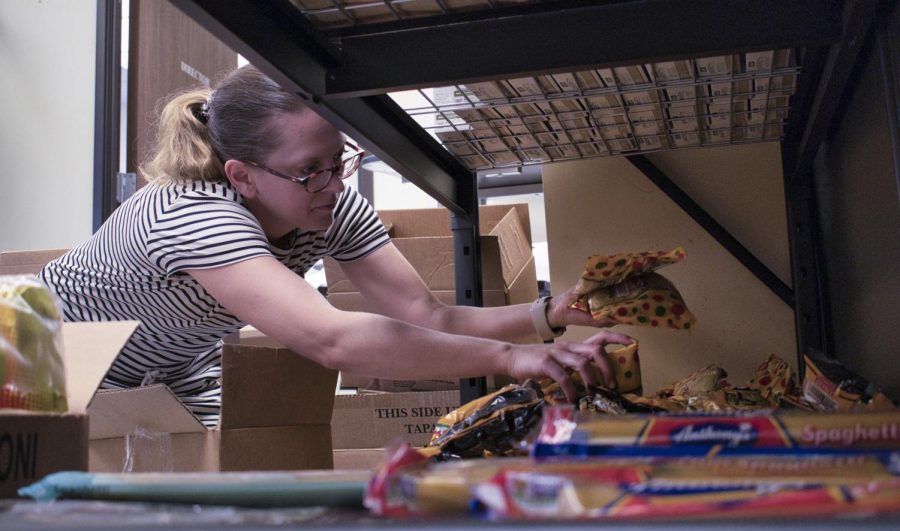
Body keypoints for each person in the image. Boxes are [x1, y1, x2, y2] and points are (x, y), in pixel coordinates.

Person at [40, 65, 632, 427]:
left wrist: (546, 316)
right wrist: (510, 360)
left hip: (167, 370)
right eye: (309, 170)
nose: (333, 182)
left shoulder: (328, 203)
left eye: (339, 160)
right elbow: (333, 338)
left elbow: (430, 314)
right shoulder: (191, 214)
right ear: (242, 176)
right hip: (46, 355)